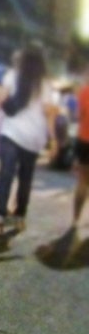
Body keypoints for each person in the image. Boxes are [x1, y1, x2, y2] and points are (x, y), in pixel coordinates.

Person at [0, 44, 55, 235]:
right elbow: (48, 112)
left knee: (5, 175)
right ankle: (20, 217)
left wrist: (1, 100)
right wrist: (53, 139)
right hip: (34, 137)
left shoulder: (12, 76)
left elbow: (1, 100)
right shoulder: (45, 84)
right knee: (25, 179)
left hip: (11, 133)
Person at [73, 67, 89, 229]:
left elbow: (79, 116)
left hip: (84, 140)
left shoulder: (85, 92)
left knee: (82, 181)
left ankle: (76, 219)